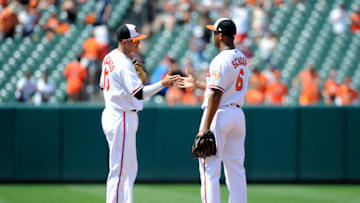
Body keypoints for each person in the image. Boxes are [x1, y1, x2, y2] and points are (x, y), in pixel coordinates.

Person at [99, 23, 181, 203]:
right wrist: (162, 84)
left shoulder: (111, 57)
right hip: (121, 116)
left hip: (117, 113)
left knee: (128, 168)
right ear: (124, 41)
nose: (138, 44)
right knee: (119, 169)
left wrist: (134, 73)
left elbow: (104, 85)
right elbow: (140, 93)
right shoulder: (123, 63)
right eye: (134, 41)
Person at [178, 18, 249, 203]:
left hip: (219, 114)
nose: (212, 36)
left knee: (209, 169)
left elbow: (216, 94)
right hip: (237, 114)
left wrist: (205, 127)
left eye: (214, 32)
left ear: (220, 35)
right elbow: (220, 88)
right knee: (236, 170)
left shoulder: (220, 60)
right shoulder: (241, 58)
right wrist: (198, 84)